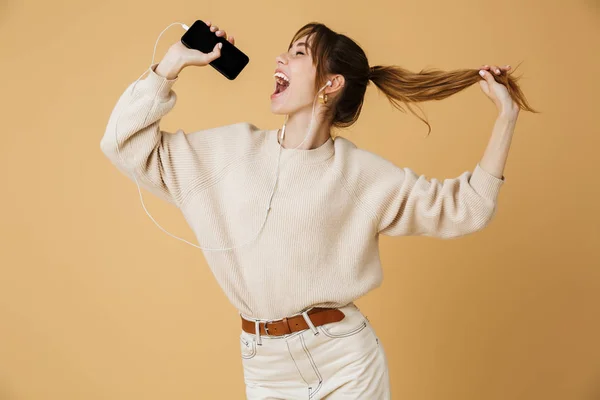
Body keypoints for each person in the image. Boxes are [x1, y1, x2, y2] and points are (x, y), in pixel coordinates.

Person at [101, 20, 533, 399]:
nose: (280, 58)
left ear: (331, 83)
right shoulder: (228, 152)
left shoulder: (361, 175)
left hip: (344, 362)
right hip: (264, 367)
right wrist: (170, 65)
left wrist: (506, 118)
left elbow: (468, 208)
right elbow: (122, 143)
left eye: (298, 52)